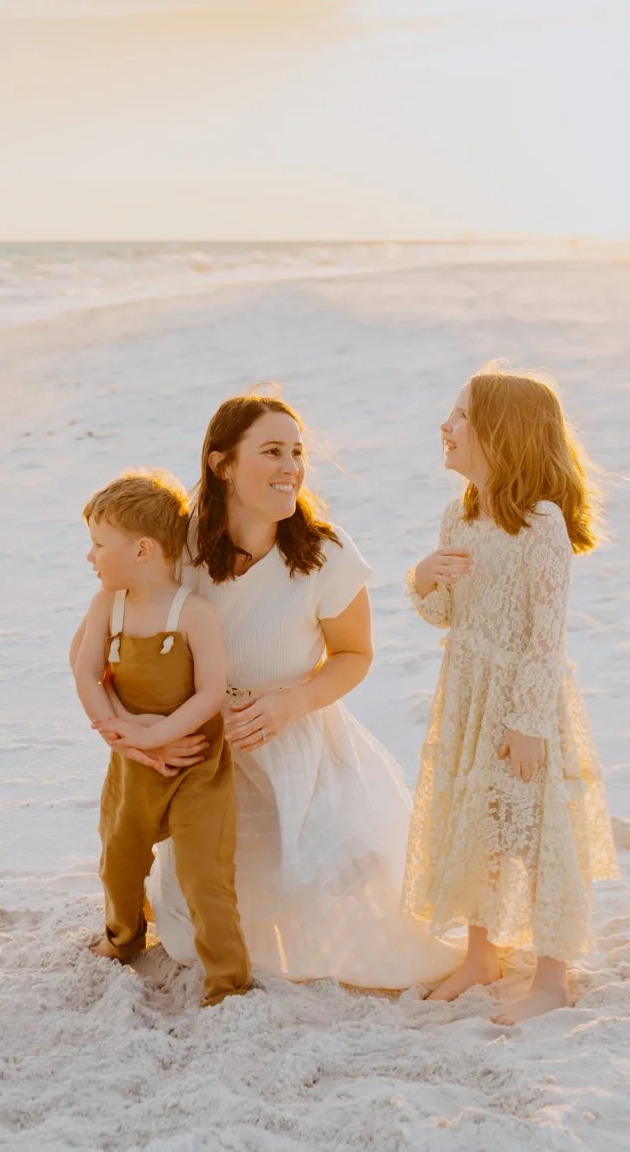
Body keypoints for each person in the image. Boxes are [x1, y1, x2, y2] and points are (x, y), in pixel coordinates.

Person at [121, 392, 463, 989]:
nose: (292, 467)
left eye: (298, 452)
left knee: (355, 899)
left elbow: (355, 656)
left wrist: (289, 703)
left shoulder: (326, 554)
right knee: (200, 930)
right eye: (273, 451)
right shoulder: (181, 548)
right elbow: (130, 637)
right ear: (222, 464)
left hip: (297, 736)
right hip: (205, 748)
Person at [402, 365, 619, 1024]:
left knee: (538, 823)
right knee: (480, 824)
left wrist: (528, 720)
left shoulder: (542, 524)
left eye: (461, 415)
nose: (446, 425)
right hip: (468, 693)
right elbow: (444, 616)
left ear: (502, 434)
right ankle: (481, 954)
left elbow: (545, 634)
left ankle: (553, 975)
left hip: (525, 703)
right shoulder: (458, 516)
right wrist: (423, 579)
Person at [69, 470, 250, 1006]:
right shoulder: (108, 606)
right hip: (133, 763)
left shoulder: (193, 612)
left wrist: (161, 735)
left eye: (99, 545)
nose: (90, 557)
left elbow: (210, 693)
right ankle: (123, 938)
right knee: (119, 856)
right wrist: (125, 736)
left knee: (205, 875)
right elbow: (85, 673)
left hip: (197, 762)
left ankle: (227, 981)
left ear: (143, 550)